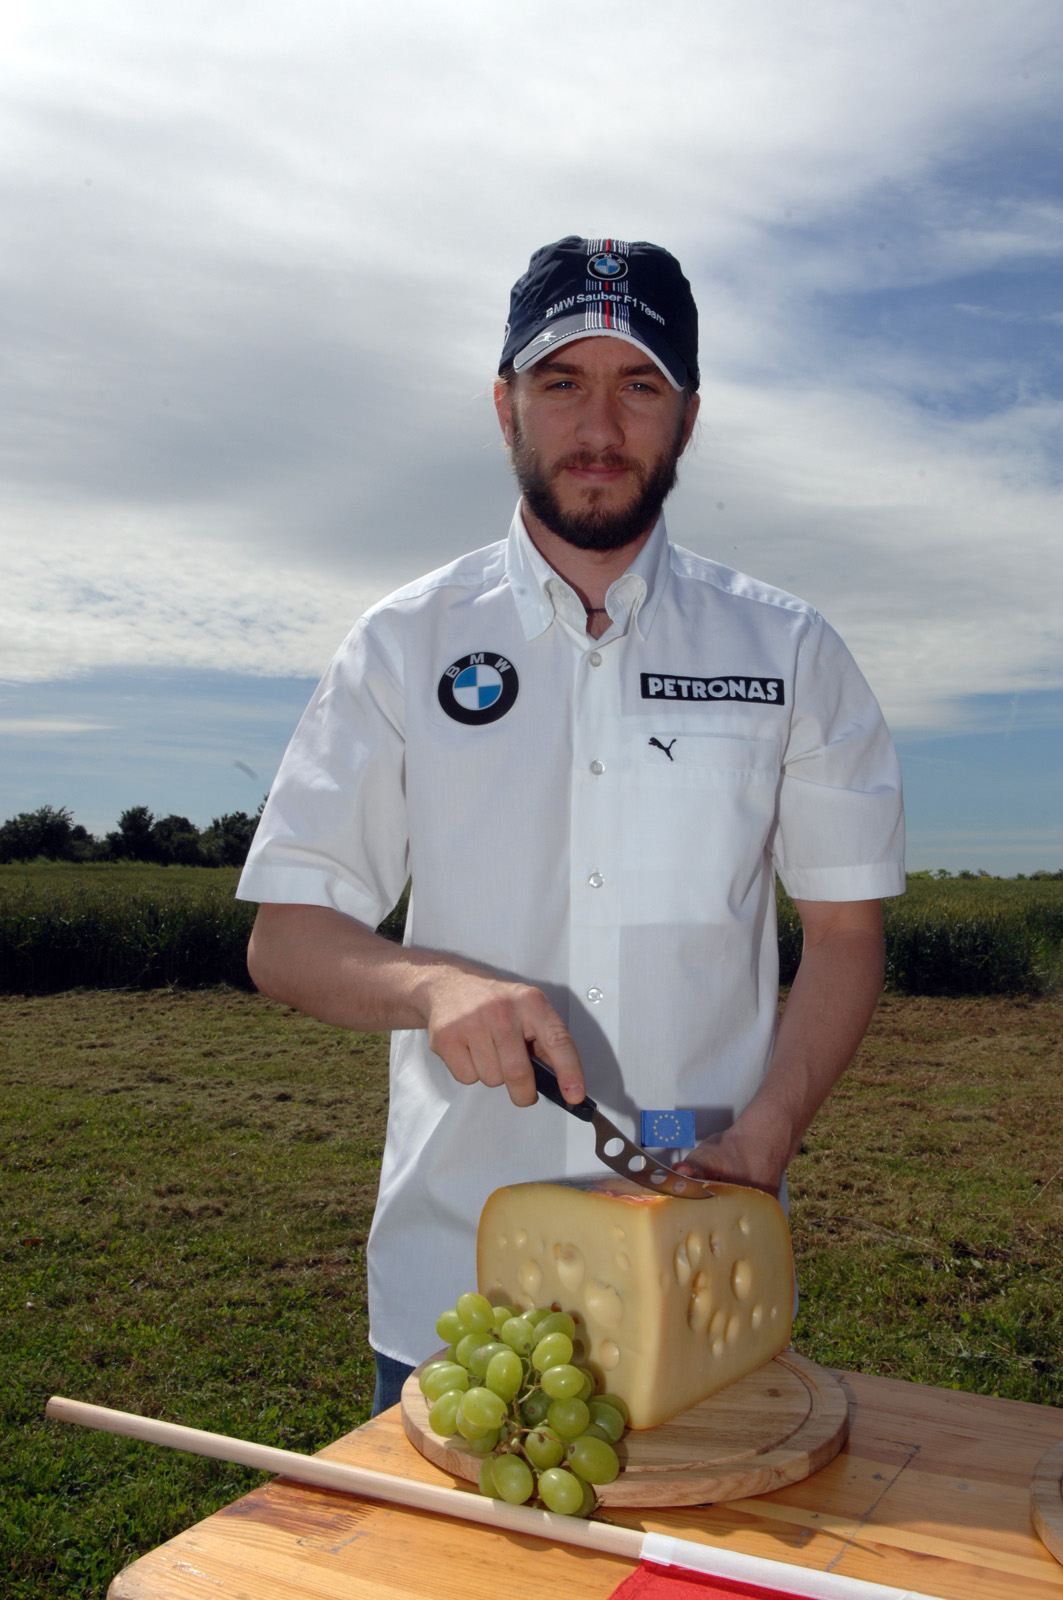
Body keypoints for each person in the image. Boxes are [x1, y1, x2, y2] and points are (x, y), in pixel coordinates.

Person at [237, 235, 905, 1414]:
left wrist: (769, 1134)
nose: (598, 425)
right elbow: (287, 936)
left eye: (639, 384)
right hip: (455, 1296)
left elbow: (844, 934)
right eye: (561, 382)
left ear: (688, 416)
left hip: (706, 1275)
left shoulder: (790, 652)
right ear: (505, 405)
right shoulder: (402, 645)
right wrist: (433, 988)